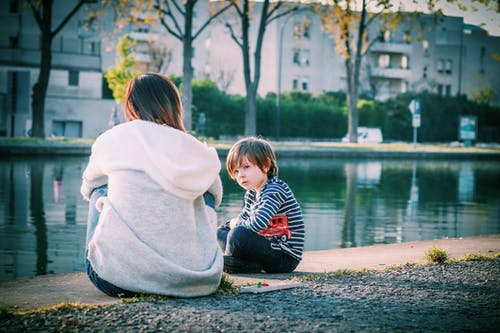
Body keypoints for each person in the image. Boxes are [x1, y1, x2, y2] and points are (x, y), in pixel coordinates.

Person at [81, 72, 223, 298]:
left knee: (100, 188)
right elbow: (216, 194)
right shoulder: (194, 147)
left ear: (132, 106)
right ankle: (190, 257)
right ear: (173, 106)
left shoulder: (113, 138)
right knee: (205, 190)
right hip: (195, 279)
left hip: (114, 277)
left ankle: (117, 253)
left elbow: (87, 186)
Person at [217, 137, 305, 274]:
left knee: (238, 233)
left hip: (284, 256)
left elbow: (258, 222)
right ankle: (242, 264)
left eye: (246, 167)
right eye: (236, 171)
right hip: (266, 248)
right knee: (221, 232)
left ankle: (231, 264)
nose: (241, 175)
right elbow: (244, 218)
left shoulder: (275, 190)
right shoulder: (251, 194)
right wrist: (233, 224)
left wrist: (236, 225)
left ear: (265, 166)